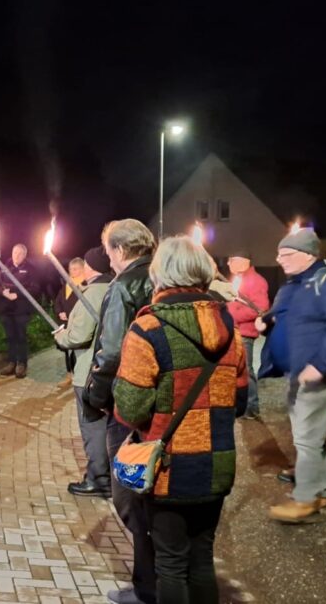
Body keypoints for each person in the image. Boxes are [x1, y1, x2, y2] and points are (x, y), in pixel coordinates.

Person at [113, 236, 247, 604]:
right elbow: (239, 401)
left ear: (161, 275)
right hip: (216, 463)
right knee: (201, 557)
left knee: (170, 563)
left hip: (169, 468)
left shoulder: (149, 329)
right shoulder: (231, 331)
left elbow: (131, 409)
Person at [258, 228, 326, 524]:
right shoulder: (295, 285)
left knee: (306, 438)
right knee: (311, 437)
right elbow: (281, 314)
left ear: (309, 255)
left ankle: (306, 500)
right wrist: (267, 321)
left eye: (286, 254)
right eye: (279, 253)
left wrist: (322, 366)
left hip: (317, 374)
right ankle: (323, 490)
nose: (279, 259)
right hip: (296, 372)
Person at [81, 218, 157, 604]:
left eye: (109, 250)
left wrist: (94, 394)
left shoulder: (124, 286)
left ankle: (149, 587)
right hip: (160, 401)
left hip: (126, 403)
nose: (108, 258)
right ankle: (161, 579)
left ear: (121, 250)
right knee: (151, 493)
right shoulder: (161, 278)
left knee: (129, 495)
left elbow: (110, 351)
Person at [53, 246, 113, 497]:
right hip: (109, 366)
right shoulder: (114, 287)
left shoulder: (92, 292)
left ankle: (99, 479)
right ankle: (110, 476)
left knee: (92, 426)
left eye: (86, 264)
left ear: (91, 267)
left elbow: (79, 335)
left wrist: (62, 336)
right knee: (108, 425)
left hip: (89, 370)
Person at [226, 250, 270, 419]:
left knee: (246, 370)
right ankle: (241, 404)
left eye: (231, 260)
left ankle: (251, 407)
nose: (228, 264)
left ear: (243, 261)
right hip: (236, 330)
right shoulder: (240, 279)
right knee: (237, 370)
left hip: (244, 332)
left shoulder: (256, 281)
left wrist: (231, 316)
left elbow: (260, 308)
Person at [0, 243, 39, 378]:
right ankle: (11, 362)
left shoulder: (30, 269)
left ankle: (22, 364)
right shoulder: (5, 267)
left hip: (21, 309)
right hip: (7, 309)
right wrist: (3, 292)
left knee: (21, 337)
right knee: (10, 337)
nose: (16, 256)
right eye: (14, 253)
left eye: (20, 253)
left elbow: (35, 288)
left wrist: (17, 295)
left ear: (24, 255)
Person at [53, 257, 86, 387]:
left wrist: (73, 315)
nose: (72, 271)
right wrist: (59, 311)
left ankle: (81, 376)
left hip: (78, 323)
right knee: (67, 349)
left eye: (75, 269)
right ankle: (69, 375)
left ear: (82, 269)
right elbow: (58, 301)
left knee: (79, 350)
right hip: (65, 323)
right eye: (70, 269)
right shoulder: (67, 284)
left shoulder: (85, 284)